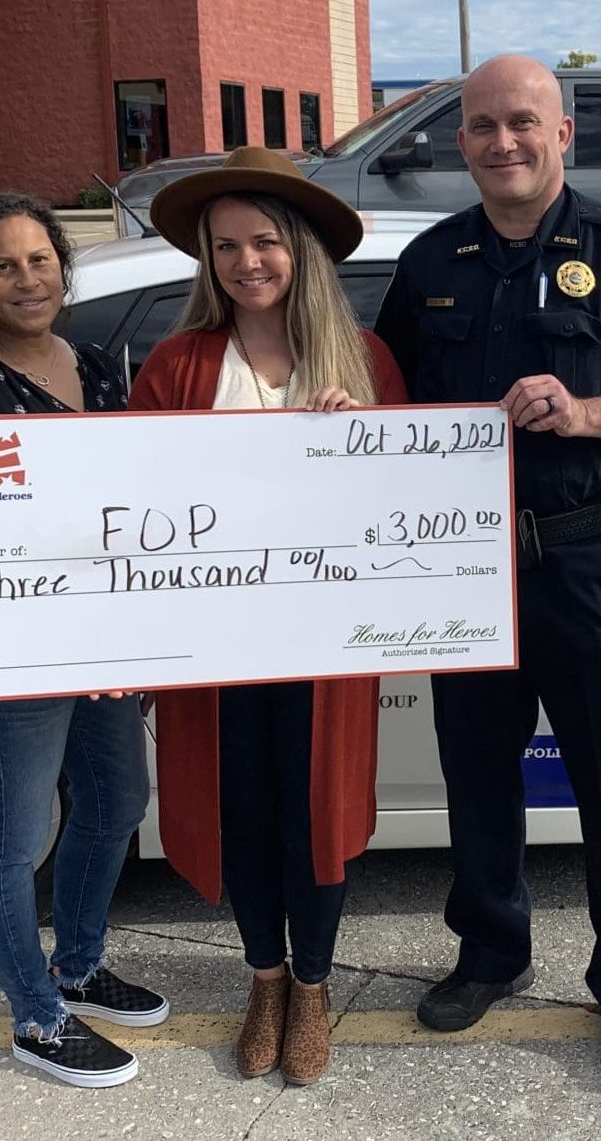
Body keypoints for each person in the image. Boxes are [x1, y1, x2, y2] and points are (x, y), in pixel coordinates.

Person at [372, 55, 601, 1086]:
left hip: (588, 562)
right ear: (462, 143)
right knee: (477, 780)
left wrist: (587, 412)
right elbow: (389, 395)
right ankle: (489, 953)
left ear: (563, 134)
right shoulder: (431, 262)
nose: (502, 143)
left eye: (522, 122)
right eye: (482, 127)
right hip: (466, 573)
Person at [128, 146, 407, 1086]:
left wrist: (359, 438)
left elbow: (410, 509)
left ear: (301, 251)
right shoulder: (177, 364)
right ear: (207, 262)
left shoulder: (361, 362)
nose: (247, 262)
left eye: (264, 242)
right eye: (225, 247)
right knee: (241, 810)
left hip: (326, 647)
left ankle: (317, 987)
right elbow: (131, 502)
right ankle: (264, 977)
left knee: (312, 814)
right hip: (216, 646)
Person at [0, 193, 168, 1089]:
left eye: (39, 261)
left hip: (100, 636)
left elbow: (131, 500)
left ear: (62, 267)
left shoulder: (94, 363)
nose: (26, 280)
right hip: (11, 647)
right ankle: (37, 1016)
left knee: (118, 798)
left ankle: (78, 963)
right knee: (12, 839)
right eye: (4, 265)